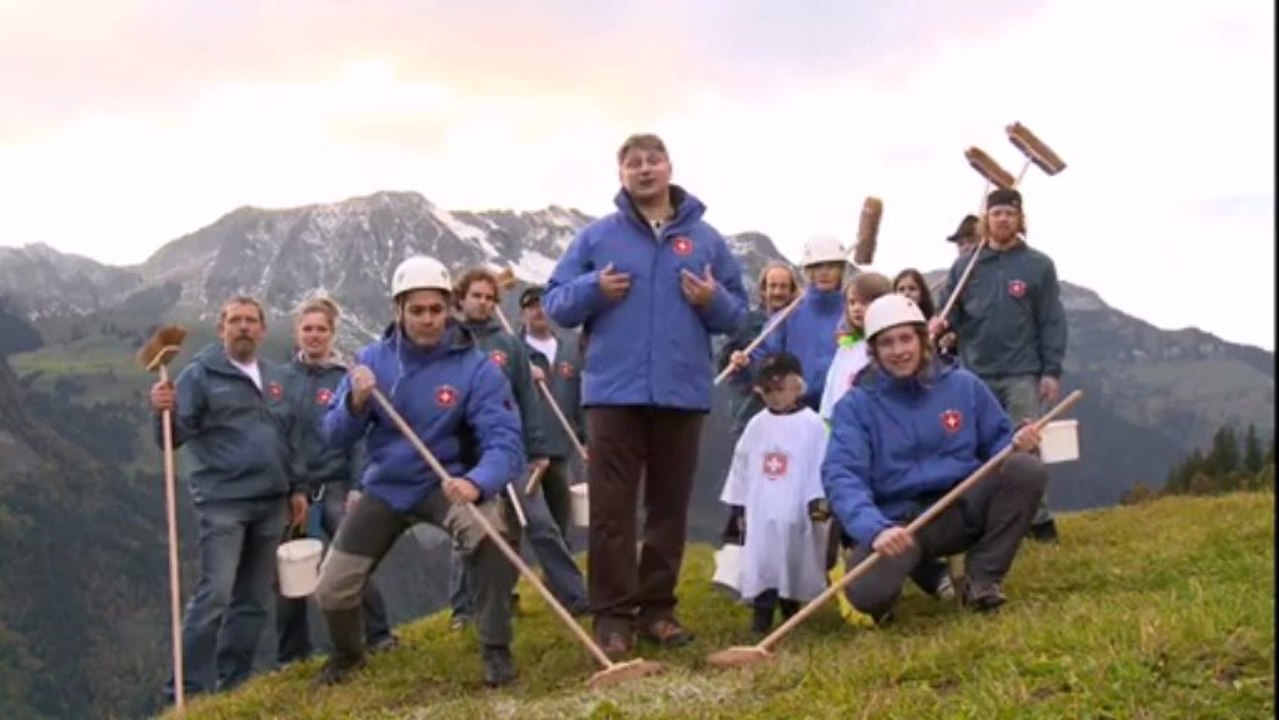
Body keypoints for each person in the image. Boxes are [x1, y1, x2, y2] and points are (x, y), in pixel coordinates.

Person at [542, 132, 749, 658]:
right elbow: (557, 305)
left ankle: (658, 609)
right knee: (612, 509)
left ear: (669, 167)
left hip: (682, 390)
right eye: (633, 163)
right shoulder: (596, 239)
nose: (644, 169)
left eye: (653, 160)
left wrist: (711, 299)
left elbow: (739, 315)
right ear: (621, 175)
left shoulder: (706, 240)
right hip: (613, 391)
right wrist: (595, 290)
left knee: (668, 506)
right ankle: (613, 616)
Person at [312, 255, 524, 688]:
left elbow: (505, 442)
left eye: (436, 309)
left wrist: (477, 481)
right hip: (387, 487)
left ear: (450, 309)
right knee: (332, 588)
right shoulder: (371, 362)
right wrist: (355, 403)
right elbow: (333, 435)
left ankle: (496, 650)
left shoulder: (476, 368)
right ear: (399, 311)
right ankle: (349, 657)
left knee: (493, 536)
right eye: (417, 310)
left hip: (447, 483)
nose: (428, 320)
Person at [823, 293, 1049, 624]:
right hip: (901, 526)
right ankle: (907, 579)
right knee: (865, 595)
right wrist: (875, 530)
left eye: (905, 338)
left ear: (922, 339)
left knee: (1025, 470)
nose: (899, 350)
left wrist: (1020, 443)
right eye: (887, 343)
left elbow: (999, 445)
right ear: (874, 350)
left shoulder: (964, 386)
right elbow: (842, 476)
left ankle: (982, 580)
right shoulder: (856, 406)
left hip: (963, 506)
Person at [148, 295, 307, 699]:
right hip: (224, 502)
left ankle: (234, 683)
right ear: (221, 329)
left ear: (263, 329)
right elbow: (172, 437)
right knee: (214, 595)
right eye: (235, 320)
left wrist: (298, 486)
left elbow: (292, 436)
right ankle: (186, 691)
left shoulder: (278, 377)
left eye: (251, 321)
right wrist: (160, 410)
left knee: (252, 599)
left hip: (272, 500)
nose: (243, 327)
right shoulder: (199, 376)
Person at [447, 267, 588, 628]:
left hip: (512, 451)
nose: (483, 303)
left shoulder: (508, 345)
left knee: (541, 524)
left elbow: (527, 398)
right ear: (461, 299)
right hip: (467, 456)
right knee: (475, 530)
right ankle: (465, 609)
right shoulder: (448, 341)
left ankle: (575, 596)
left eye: (490, 297)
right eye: (477, 296)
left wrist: (538, 450)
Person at [932, 189, 1067, 543]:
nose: (1003, 219)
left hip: (1022, 372)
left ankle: (1038, 521)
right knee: (975, 448)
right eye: (997, 214)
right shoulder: (966, 266)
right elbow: (950, 314)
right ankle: (984, 519)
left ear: (1020, 219)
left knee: (1026, 445)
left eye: (1010, 213)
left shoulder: (1038, 265)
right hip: (974, 373)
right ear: (986, 220)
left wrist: (1051, 370)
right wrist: (940, 324)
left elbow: (1051, 320)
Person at [275, 297, 396, 666]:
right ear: (297, 333)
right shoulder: (282, 379)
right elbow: (278, 434)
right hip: (293, 491)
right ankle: (293, 655)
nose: (314, 336)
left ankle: (378, 635)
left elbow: (360, 436)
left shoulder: (347, 377)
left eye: (321, 329)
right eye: (307, 329)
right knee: (290, 573)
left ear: (332, 333)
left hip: (336, 486)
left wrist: (359, 485)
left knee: (353, 561)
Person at [720, 352, 830, 636]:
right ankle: (762, 617)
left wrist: (818, 501)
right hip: (762, 511)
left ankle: (792, 612)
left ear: (797, 385)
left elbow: (821, 464)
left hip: (796, 510)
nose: (773, 397)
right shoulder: (757, 425)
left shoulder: (813, 425)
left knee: (793, 561)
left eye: (779, 389)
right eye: (767, 391)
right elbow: (742, 465)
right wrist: (739, 508)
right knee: (763, 563)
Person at [727, 235, 849, 412]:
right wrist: (743, 365)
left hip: (842, 413)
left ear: (841, 271)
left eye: (831, 266)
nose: (824, 272)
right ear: (807, 272)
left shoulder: (853, 316)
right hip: (796, 414)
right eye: (816, 267)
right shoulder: (786, 317)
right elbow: (763, 363)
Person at [518, 284, 587, 540]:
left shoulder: (571, 349)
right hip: (522, 452)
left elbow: (581, 397)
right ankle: (515, 577)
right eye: (532, 306)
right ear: (522, 314)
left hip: (559, 450)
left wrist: (586, 438)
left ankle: (556, 579)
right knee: (518, 521)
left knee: (560, 522)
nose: (539, 311)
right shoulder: (513, 351)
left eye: (544, 304)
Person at [715, 262, 803, 439]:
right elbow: (723, 364)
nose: (777, 292)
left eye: (783, 286)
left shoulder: (800, 323)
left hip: (792, 416)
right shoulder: (748, 322)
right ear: (763, 290)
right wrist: (737, 362)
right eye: (773, 286)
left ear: (793, 291)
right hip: (751, 414)